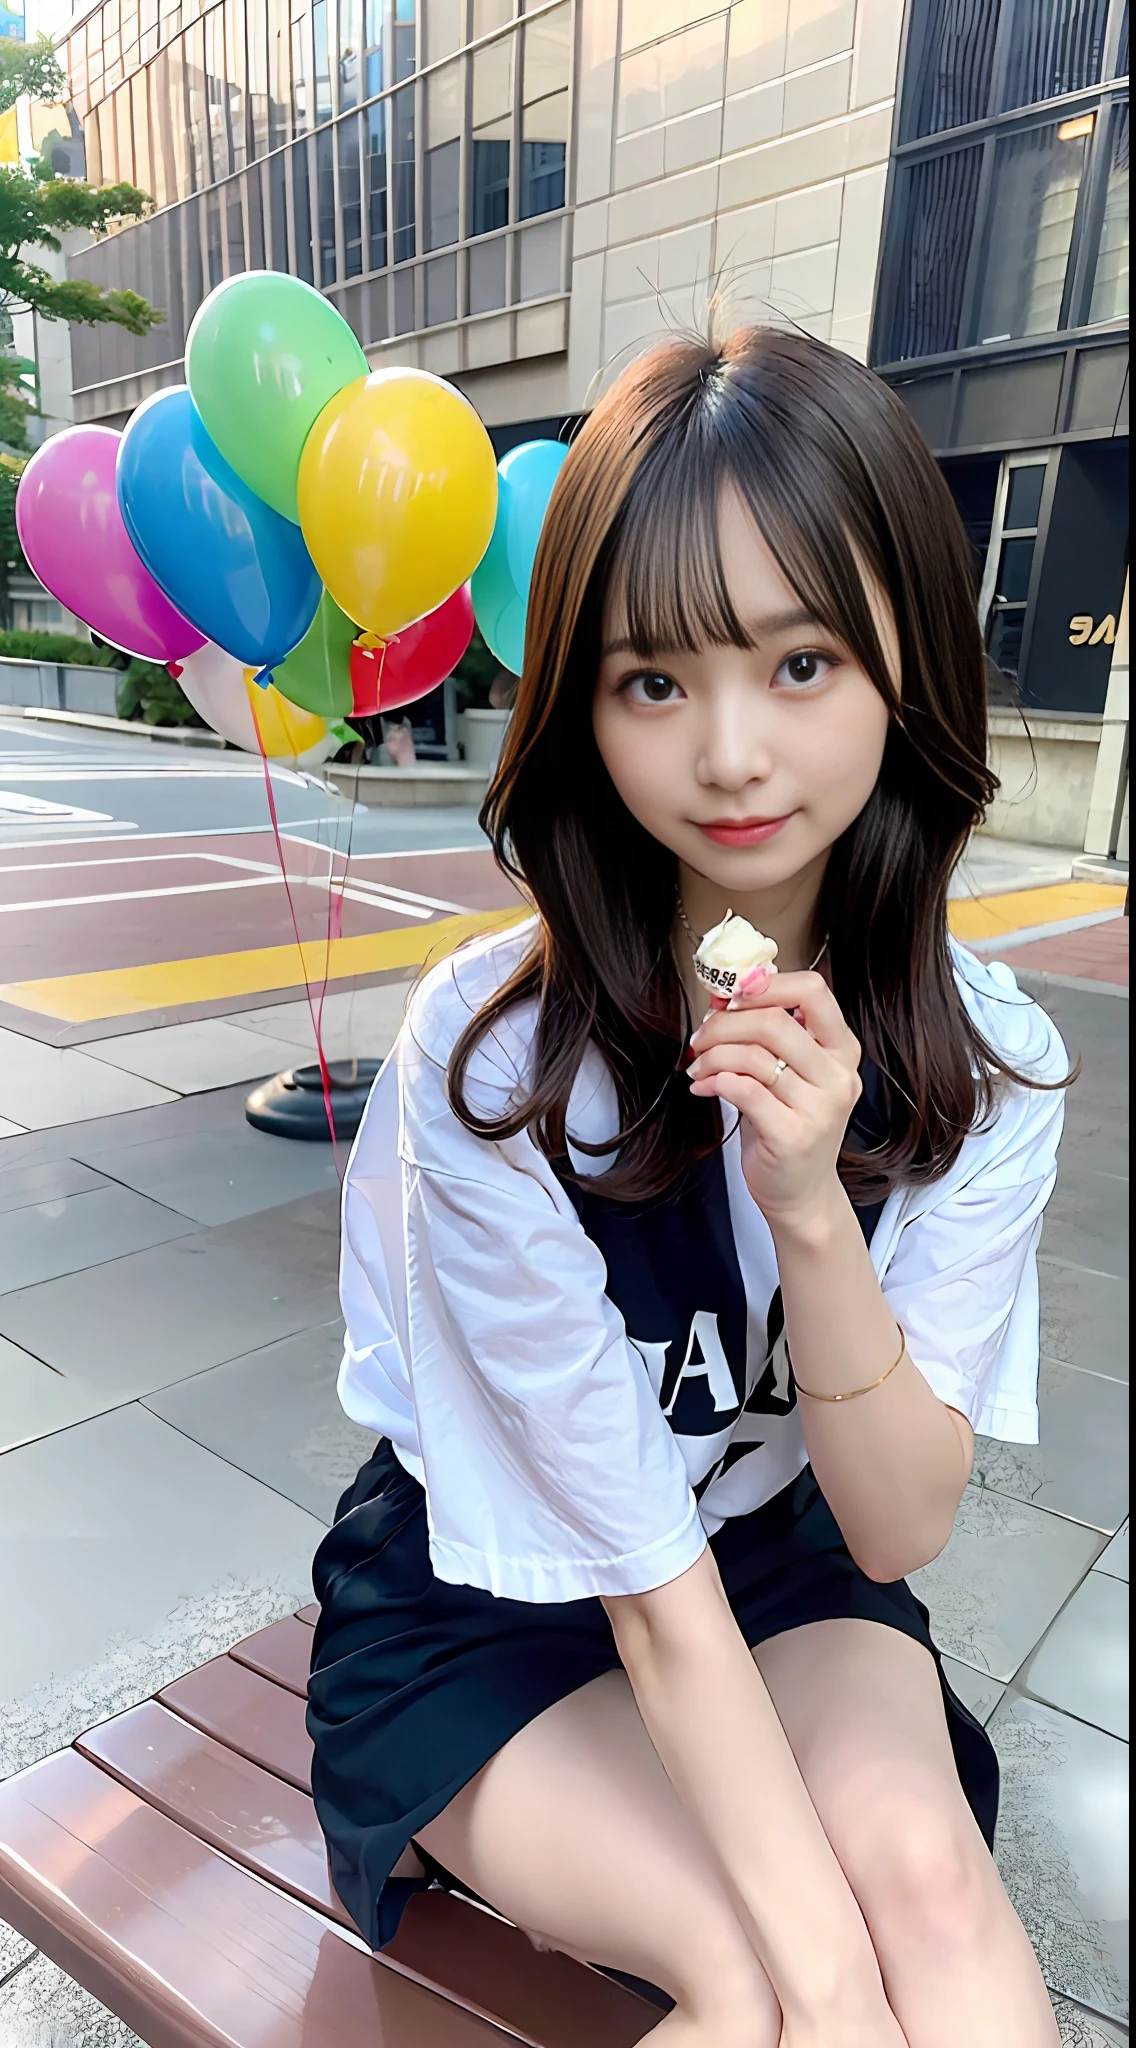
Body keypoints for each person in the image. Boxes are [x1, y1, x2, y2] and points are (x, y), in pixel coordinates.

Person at [307, 328, 1068, 2046]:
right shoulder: (493, 1066)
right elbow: (644, 1592)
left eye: (801, 664)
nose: (730, 755)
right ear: (581, 703)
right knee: (767, 1980)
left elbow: (895, 1525)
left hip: (783, 1561)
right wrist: (823, 1990)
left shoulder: (990, 1056)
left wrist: (811, 1210)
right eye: (656, 680)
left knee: (935, 1897)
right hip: (488, 1611)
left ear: (905, 674)